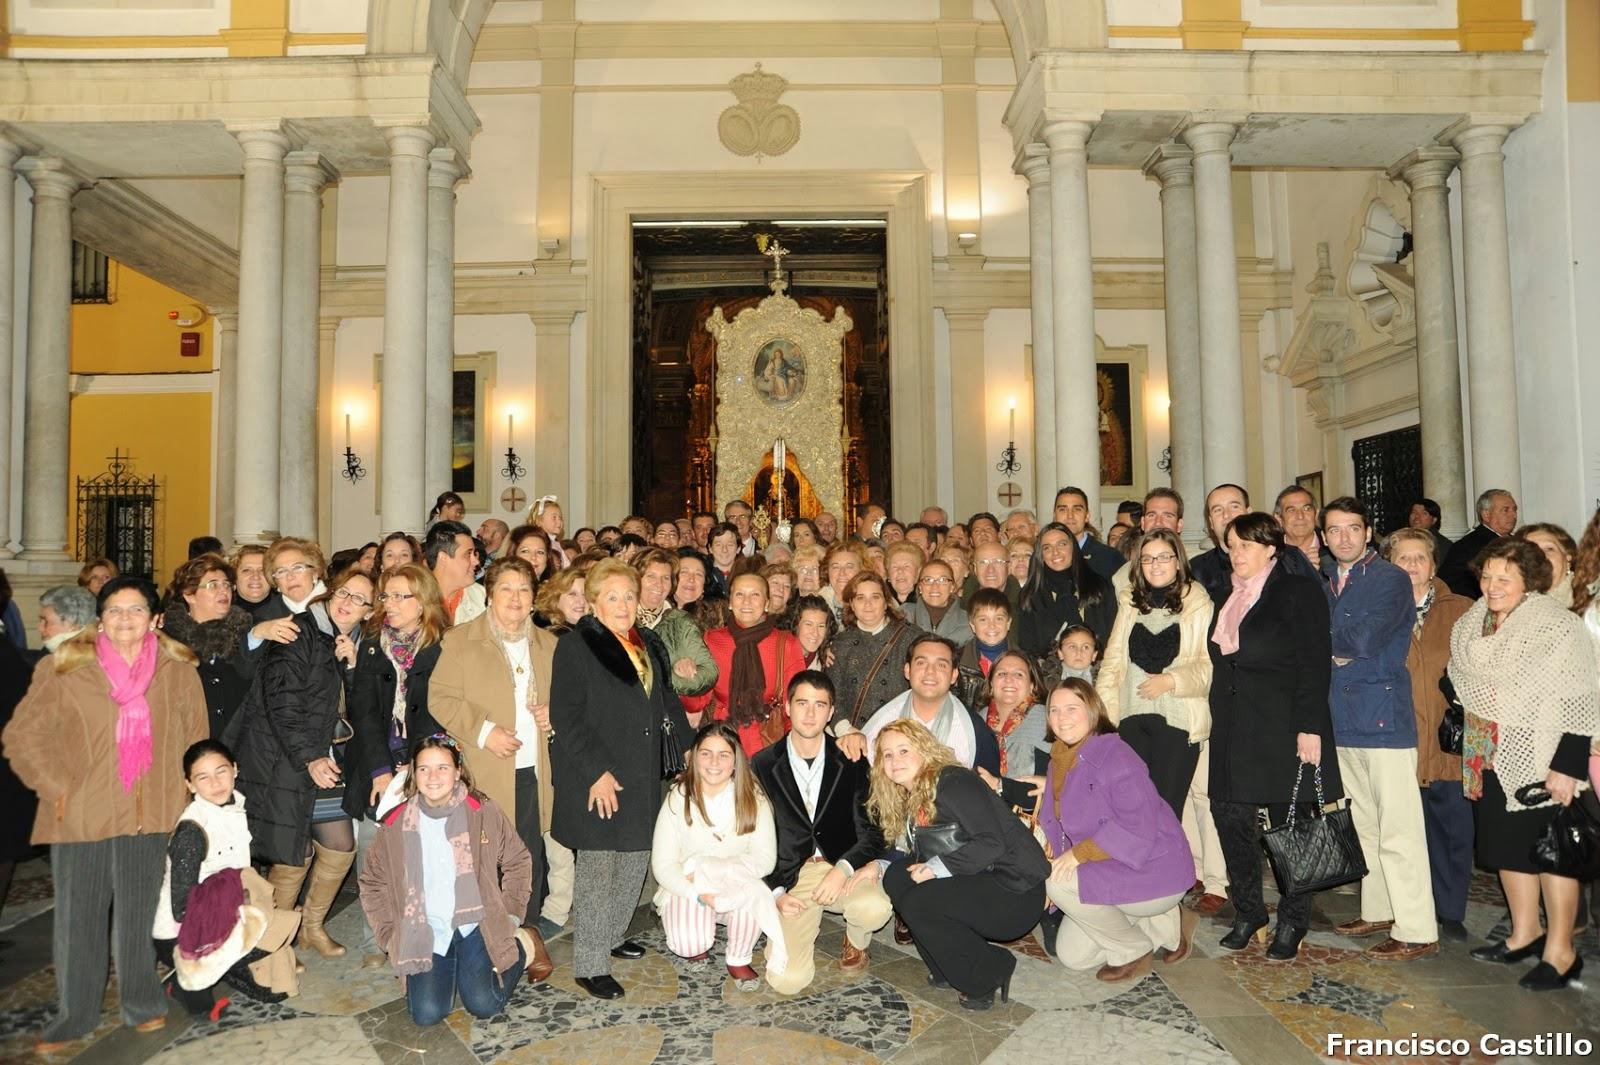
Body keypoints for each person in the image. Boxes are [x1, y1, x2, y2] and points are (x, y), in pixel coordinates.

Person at [4, 576, 207, 1050]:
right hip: (81, 815)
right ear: (100, 617)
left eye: (136, 610)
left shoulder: (178, 671)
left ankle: (142, 1002)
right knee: (80, 919)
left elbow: (196, 741)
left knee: (139, 915)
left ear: (156, 618)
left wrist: (188, 798)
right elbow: (23, 737)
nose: (124, 619)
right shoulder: (66, 666)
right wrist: (58, 787)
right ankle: (75, 1015)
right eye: (114, 610)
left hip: (151, 814)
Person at [1451, 538, 1597, 990]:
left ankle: (1561, 952)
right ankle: (1524, 933)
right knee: (1507, 850)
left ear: (1528, 581)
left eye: (1504, 578)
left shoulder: (1556, 625)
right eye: (1487, 576)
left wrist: (1568, 765)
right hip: (1490, 752)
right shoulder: (1473, 622)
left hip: (1543, 756)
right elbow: (1459, 676)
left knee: (1551, 854)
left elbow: (1583, 696)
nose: (1493, 587)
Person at [548, 559, 693, 1000]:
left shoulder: (644, 642)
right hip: (598, 774)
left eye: (629, 595)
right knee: (599, 865)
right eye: (612, 597)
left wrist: (688, 746)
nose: (623, 604)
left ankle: (610, 934)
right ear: (593, 602)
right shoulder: (577, 646)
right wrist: (596, 773)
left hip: (642, 770)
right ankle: (590, 964)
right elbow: (566, 718)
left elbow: (665, 699)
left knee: (635, 855)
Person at [1207, 512, 1340, 962]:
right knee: (1229, 817)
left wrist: (1310, 727)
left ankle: (1293, 919)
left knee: (1293, 826)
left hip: (1283, 724)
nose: (1236, 553)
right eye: (1231, 545)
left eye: (1245, 545)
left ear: (1270, 547)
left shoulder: (1297, 590)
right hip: (1234, 726)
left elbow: (1314, 662)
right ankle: (1249, 912)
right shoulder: (1229, 595)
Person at [230, 563, 374, 961]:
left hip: (329, 762)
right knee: (294, 852)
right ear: (329, 592)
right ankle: (270, 945)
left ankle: (311, 926)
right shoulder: (300, 631)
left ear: (369, 610)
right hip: (289, 761)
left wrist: (353, 667)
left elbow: (354, 708)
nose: (348, 603)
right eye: (344, 593)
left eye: (360, 599)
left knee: (341, 845)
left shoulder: (355, 642)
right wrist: (309, 757)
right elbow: (283, 704)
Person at [1319, 496, 1438, 960]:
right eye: (1335, 530)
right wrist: (1334, 648)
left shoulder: (1390, 578)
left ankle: (1417, 928)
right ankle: (1379, 909)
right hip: (1341, 720)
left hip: (1384, 719)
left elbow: (1366, 640)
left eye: (1353, 528)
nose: (1344, 537)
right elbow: (1320, 638)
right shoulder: (1325, 580)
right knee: (1362, 825)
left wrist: (1325, 643)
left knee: (1399, 831)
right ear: (1324, 537)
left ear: (1368, 533)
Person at [425, 557, 558, 962]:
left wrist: (554, 714)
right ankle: (483, 943)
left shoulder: (551, 645)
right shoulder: (462, 640)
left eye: (523, 590)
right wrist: (486, 733)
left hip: (535, 769)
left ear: (534, 598)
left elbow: (571, 703)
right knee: (484, 858)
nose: (515, 598)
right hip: (485, 769)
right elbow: (440, 698)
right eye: (506, 589)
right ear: (490, 594)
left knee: (528, 856)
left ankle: (526, 939)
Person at [360, 734, 543, 1027]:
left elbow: (518, 860)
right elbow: (372, 882)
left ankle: (524, 943)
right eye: (424, 769)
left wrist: (511, 913)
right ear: (413, 772)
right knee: (426, 1014)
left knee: (484, 1005)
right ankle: (456, 968)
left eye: (442, 768)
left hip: (476, 925)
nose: (433, 777)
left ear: (458, 771)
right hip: (426, 930)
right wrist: (387, 931)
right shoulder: (395, 825)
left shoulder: (482, 811)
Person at [870, 719, 1048, 1010]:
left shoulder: (953, 781)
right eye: (887, 755)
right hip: (979, 877)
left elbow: (992, 843)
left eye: (903, 750)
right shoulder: (914, 792)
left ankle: (988, 970)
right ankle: (947, 967)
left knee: (919, 902)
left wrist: (934, 869)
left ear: (924, 750)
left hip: (1015, 890)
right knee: (897, 878)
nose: (894, 760)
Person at [1037, 679, 1196, 980]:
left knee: (1058, 882)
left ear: (1093, 711)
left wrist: (1077, 855)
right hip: (1110, 866)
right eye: (1054, 710)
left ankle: (1133, 950)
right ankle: (1165, 924)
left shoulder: (1117, 755)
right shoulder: (1059, 758)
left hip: (1152, 866)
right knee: (1074, 958)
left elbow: (1138, 825)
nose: (1061, 717)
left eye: (1072, 708)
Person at [753, 671, 892, 994]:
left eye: (820, 705)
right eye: (802, 703)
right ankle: (785, 936)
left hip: (841, 866)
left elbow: (874, 833)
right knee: (787, 982)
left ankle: (856, 939)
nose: (810, 713)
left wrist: (843, 869)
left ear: (831, 713)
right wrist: (775, 893)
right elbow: (752, 840)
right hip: (791, 876)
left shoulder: (852, 760)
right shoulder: (761, 764)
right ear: (787, 707)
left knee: (874, 909)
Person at [153, 739, 299, 1017]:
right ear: (190, 785)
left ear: (235, 769)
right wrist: (240, 926)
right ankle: (181, 981)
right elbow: (182, 908)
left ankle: (221, 966)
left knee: (272, 993)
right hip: (185, 932)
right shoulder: (192, 830)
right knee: (203, 1002)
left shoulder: (235, 808)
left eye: (221, 771)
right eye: (203, 777)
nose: (216, 783)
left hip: (226, 910)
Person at [1382, 527, 1474, 942]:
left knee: (1452, 828)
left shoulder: (1464, 610)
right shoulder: (1380, 610)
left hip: (1446, 742)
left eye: (1421, 557)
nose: (1414, 565)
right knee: (1404, 832)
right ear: (1389, 565)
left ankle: (1450, 910)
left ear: (1434, 564)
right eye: (1404, 558)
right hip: (1398, 738)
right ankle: (1409, 908)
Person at [1094, 529, 1213, 817]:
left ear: (1178, 561)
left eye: (1163, 557)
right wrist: (1103, 721)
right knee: (1132, 812)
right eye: (1147, 559)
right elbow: (1112, 664)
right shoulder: (1129, 602)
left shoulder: (1198, 602)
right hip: (1131, 718)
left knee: (1166, 814)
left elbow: (1207, 667)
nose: (1155, 565)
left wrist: (1171, 680)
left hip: (1177, 719)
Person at [651, 722, 778, 989]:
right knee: (688, 943)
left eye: (724, 754)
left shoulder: (754, 799)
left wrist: (719, 872)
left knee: (753, 892)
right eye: (706, 753)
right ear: (694, 756)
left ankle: (738, 958)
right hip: (692, 885)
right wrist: (696, 891)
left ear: (736, 760)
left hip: (736, 881)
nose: (714, 762)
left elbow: (766, 858)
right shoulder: (678, 798)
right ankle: (699, 933)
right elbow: (662, 864)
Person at [683, 571, 804, 755]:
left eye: (755, 595)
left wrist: (792, 752)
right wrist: (687, 679)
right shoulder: (713, 640)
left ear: (767, 603)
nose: (747, 602)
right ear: (730, 602)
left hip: (767, 742)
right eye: (740, 594)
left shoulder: (786, 643)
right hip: (721, 739)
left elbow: (796, 703)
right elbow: (698, 701)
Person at [861, 635, 995, 772]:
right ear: (907, 670)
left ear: (954, 675)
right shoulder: (880, 722)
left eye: (941, 665)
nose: (930, 671)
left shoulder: (976, 733)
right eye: (921, 663)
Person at [161, 553, 260, 740]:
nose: (223, 591)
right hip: (188, 744)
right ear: (189, 594)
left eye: (227, 585)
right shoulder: (168, 641)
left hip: (241, 747)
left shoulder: (246, 635)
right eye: (213, 585)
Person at [824, 572, 923, 739]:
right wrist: (846, 731)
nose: (868, 604)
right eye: (860, 598)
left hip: (899, 736)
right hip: (852, 737)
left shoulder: (911, 638)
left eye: (875, 597)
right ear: (852, 604)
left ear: (886, 603)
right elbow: (833, 694)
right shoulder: (840, 643)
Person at [1017, 521, 1117, 655]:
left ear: (1073, 547)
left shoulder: (1099, 588)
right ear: (1040, 555)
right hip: (1048, 672)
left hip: (1098, 670)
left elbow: (1114, 642)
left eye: (1062, 544)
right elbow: (1028, 650)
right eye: (1047, 548)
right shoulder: (1030, 596)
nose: (1055, 552)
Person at [634, 548, 718, 699]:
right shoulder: (620, 616)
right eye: (651, 576)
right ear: (635, 579)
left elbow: (710, 672)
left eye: (665, 578)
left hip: (664, 713)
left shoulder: (680, 621)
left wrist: (671, 678)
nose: (658, 584)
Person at [1440, 488, 1518, 599]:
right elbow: (1452, 585)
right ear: (1486, 515)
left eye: (1514, 510)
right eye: (1505, 510)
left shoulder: (1518, 542)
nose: (1513, 515)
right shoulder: (1467, 546)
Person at [1054, 486, 1124, 580]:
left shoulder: (1109, 557)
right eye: (1062, 509)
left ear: (1087, 516)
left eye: (1077, 509)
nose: (1070, 515)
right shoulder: (1044, 556)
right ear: (1055, 516)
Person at [424, 520, 485, 625]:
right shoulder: (415, 597)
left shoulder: (481, 596)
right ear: (443, 558)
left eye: (474, 554)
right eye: (468, 554)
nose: (476, 561)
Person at [904, 558, 968, 640]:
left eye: (942, 580)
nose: (934, 586)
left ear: (952, 587)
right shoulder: (904, 615)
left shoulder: (968, 622)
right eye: (928, 580)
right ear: (920, 587)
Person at [1516, 522, 1577, 607]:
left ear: (1568, 558)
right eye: (1531, 551)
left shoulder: (1589, 600)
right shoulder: (1509, 603)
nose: (1541, 556)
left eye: (1549, 549)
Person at [36, 584, 96, 655]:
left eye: (46, 622)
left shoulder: (91, 662)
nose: (40, 628)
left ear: (74, 625)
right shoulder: (46, 655)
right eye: (40, 621)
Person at [789, 594, 837, 668]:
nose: (815, 633)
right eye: (808, 624)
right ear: (796, 625)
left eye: (821, 626)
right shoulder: (780, 653)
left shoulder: (822, 659)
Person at [535, 565, 588, 632]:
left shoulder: (597, 633)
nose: (582, 601)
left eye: (585, 594)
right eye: (572, 594)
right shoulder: (549, 637)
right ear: (555, 599)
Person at [529, 495, 570, 570]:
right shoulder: (535, 543)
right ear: (539, 521)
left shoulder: (557, 544)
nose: (559, 522)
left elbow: (567, 567)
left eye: (560, 518)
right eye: (554, 518)